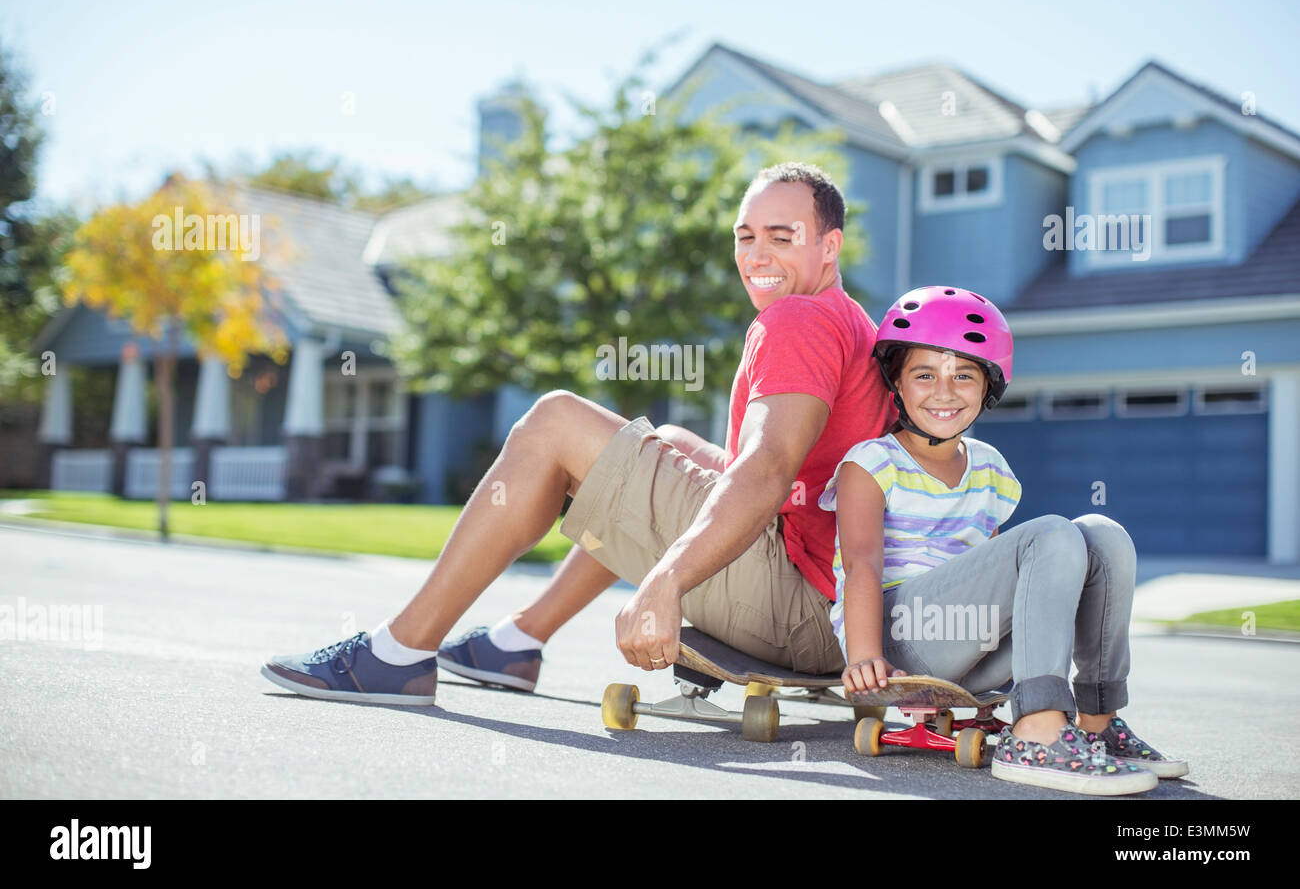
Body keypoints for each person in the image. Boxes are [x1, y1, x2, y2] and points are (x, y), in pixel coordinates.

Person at [260, 162, 896, 704]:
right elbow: (777, 475)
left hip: (807, 614)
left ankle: (398, 654)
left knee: (555, 421)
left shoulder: (800, 320)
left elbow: (767, 467)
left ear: (829, 246)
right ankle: (517, 642)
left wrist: (666, 580)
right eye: (745, 236)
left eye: (781, 238)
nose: (756, 256)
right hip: (831, 608)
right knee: (669, 442)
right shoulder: (846, 317)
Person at [819, 285, 1188, 795]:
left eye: (963, 375)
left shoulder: (990, 466)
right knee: (1052, 532)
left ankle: (1097, 725)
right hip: (898, 635)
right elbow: (860, 564)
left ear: (988, 387)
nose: (944, 391)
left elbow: (992, 568)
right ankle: (1035, 732)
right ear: (896, 383)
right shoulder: (871, 463)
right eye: (924, 374)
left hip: (970, 642)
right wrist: (862, 656)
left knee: (1104, 536)